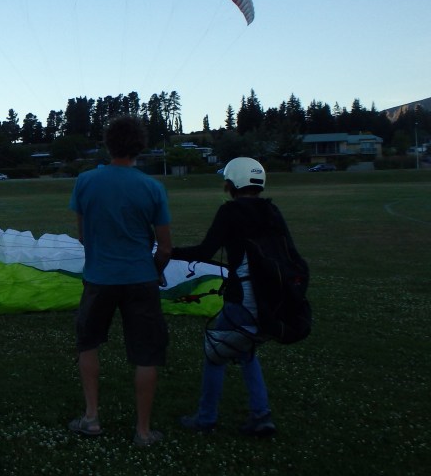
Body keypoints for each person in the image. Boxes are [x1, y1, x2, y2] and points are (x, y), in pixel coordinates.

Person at [172, 157, 301, 437]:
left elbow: (205, 251)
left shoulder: (231, 212)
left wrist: (169, 252)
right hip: (272, 297)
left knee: (216, 352)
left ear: (233, 183)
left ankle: (205, 419)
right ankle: (261, 415)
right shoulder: (272, 211)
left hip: (242, 297)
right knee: (246, 351)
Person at [68, 116, 171, 447]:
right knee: (146, 354)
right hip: (141, 279)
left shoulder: (85, 182)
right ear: (139, 146)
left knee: (88, 343)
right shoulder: (152, 187)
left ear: (107, 144)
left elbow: (83, 236)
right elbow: (165, 247)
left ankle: (91, 417)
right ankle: (142, 431)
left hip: (99, 279)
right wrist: (155, 268)